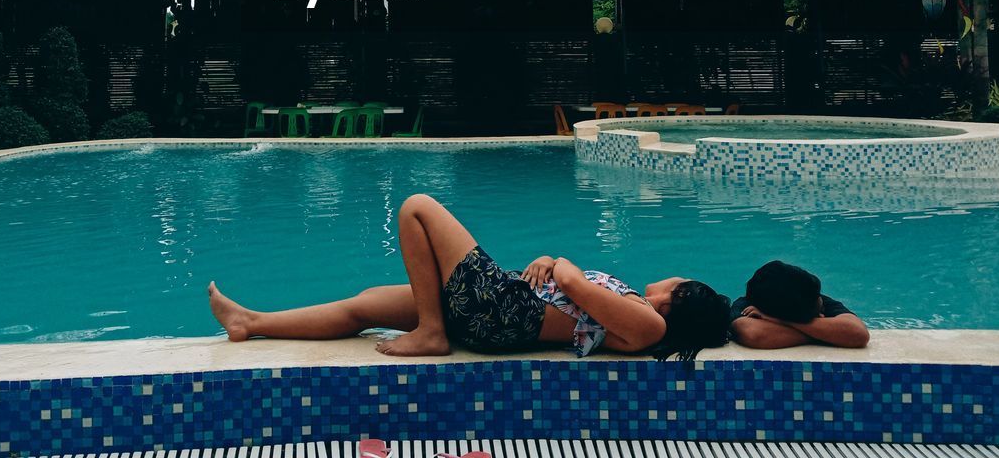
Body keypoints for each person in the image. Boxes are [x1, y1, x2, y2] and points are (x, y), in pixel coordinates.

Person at [208, 193, 730, 360]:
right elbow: (573, 293)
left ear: (678, 296)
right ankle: (251, 322)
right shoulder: (635, 308)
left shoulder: (650, 325)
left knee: (417, 208)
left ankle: (432, 332)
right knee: (366, 305)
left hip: (503, 309)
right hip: (499, 304)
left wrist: (559, 262)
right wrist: (554, 266)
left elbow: (571, 285)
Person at [729, 260, 869, 349]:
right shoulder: (749, 304)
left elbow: (858, 334)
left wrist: (778, 321)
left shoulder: (810, 296)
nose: (820, 299)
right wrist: (828, 334)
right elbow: (753, 334)